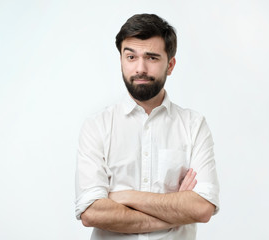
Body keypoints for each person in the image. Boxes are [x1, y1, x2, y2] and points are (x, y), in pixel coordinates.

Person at [75, 13, 220, 240]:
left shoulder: (194, 125)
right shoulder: (97, 127)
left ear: (170, 65)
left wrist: (125, 196)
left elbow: (202, 208)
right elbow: (92, 213)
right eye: (131, 57)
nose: (140, 68)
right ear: (121, 60)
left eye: (151, 58)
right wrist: (178, 210)